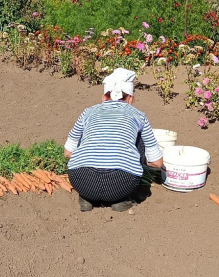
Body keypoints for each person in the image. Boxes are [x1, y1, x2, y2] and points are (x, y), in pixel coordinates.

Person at [64, 68, 164, 212]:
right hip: (120, 184)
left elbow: (68, 152)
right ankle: (120, 199)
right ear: (130, 99)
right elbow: (157, 162)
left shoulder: (87, 112)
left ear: (103, 97)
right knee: (139, 139)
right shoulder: (139, 116)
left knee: (84, 136)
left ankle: (87, 198)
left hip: (82, 181)